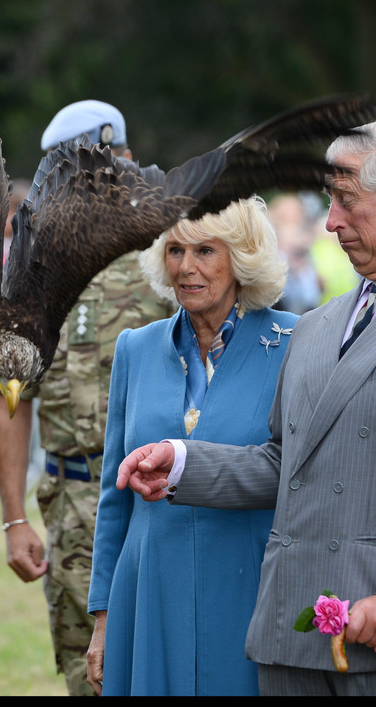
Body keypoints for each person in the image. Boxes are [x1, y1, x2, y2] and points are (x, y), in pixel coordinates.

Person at [115, 115, 376, 697]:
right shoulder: (315, 327)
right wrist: (181, 463)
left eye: (345, 202)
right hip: (291, 638)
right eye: (328, 203)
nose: (329, 222)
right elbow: (283, 466)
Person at [0, 100, 174, 696]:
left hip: (159, 496)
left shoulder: (168, 244)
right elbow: (11, 402)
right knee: (84, 673)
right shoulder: (33, 267)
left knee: (163, 665)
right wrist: (15, 519)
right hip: (69, 501)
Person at [87, 196, 296, 695]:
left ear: (242, 256)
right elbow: (113, 498)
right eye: (175, 250)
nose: (186, 268)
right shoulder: (135, 348)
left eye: (205, 251)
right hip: (149, 586)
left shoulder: (295, 344)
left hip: (247, 585)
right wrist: (103, 618)